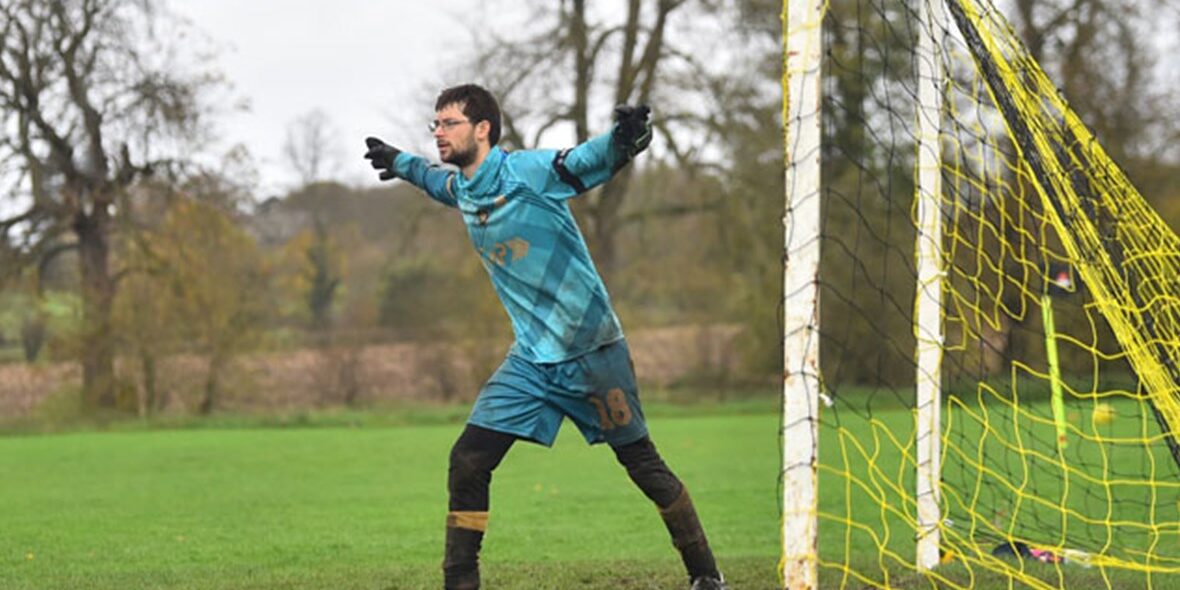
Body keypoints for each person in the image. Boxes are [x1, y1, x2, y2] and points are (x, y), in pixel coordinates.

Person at [364, 84, 726, 590]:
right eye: (436, 125)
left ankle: (707, 576)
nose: (438, 133)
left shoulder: (527, 173)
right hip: (531, 362)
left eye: (449, 124)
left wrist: (626, 138)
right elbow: (431, 179)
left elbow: (584, 162)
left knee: (642, 464)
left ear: (483, 128)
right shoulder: (465, 190)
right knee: (468, 458)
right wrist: (398, 160)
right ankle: (459, 583)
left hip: (594, 353)